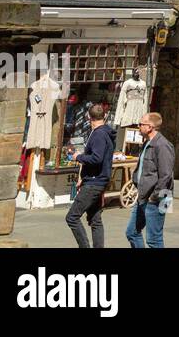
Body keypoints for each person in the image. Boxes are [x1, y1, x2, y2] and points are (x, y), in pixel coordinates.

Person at [66, 103, 113, 248]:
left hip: (94, 183)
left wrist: (78, 157)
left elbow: (96, 158)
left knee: (72, 217)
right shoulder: (104, 132)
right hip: (94, 181)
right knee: (95, 218)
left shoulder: (99, 134)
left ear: (88, 117)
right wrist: (83, 178)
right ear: (104, 116)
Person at [125, 111, 174, 248]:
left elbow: (166, 175)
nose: (138, 126)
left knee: (154, 239)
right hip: (144, 195)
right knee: (132, 232)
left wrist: (154, 196)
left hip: (161, 197)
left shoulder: (163, 145)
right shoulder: (147, 143)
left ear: (150, 127)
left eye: (141, 124)